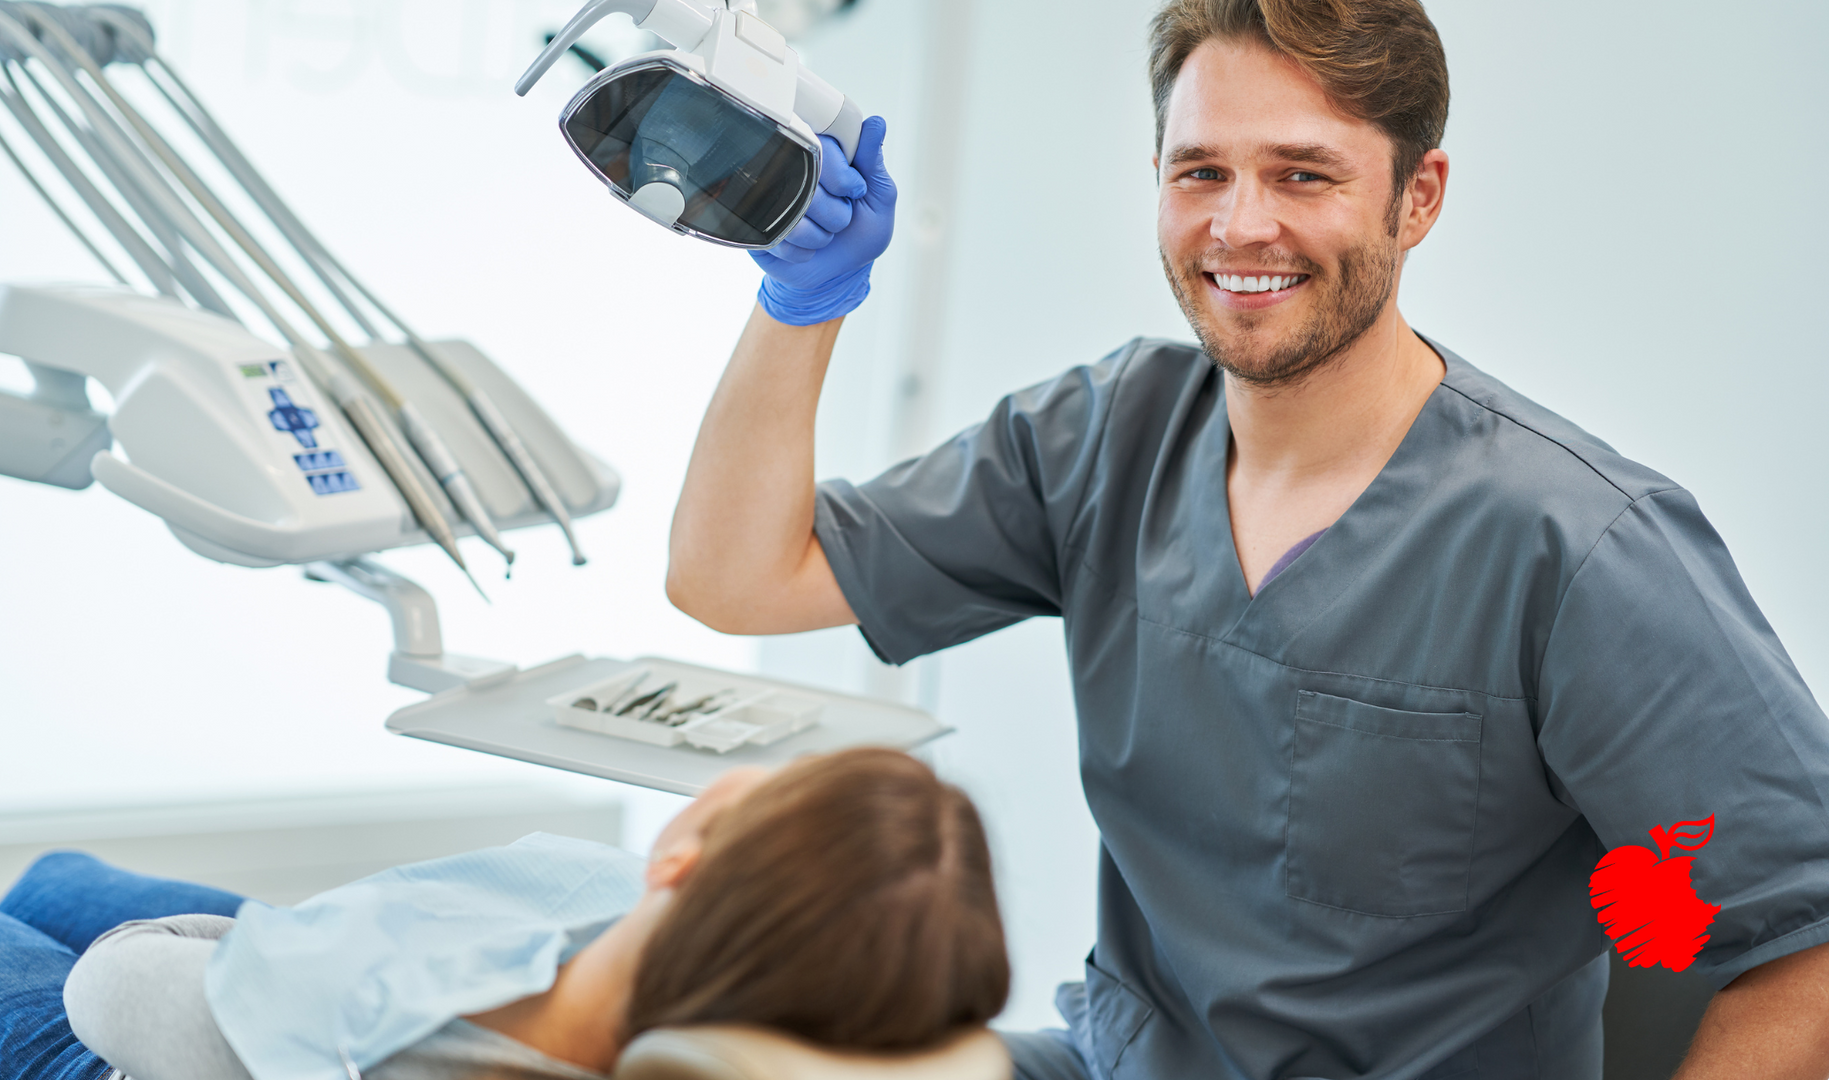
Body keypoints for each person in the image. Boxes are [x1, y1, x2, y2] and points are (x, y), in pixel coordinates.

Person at [663, 0, 1829, 1077]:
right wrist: (798, 302)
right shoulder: (1106, 440)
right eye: (1202, 170)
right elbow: (737, 576)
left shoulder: (1576, 544)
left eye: (1303, 174)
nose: (1240, 224)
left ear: (1417, 197)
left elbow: (1810, 950)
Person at [0, 748, 1009, 1080]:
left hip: (145, 1044)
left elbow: (112, 990)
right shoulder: (721, 993)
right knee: (55, 878)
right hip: (309, 981)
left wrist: (280, 952)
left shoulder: (406, 1042)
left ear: (692, 858)